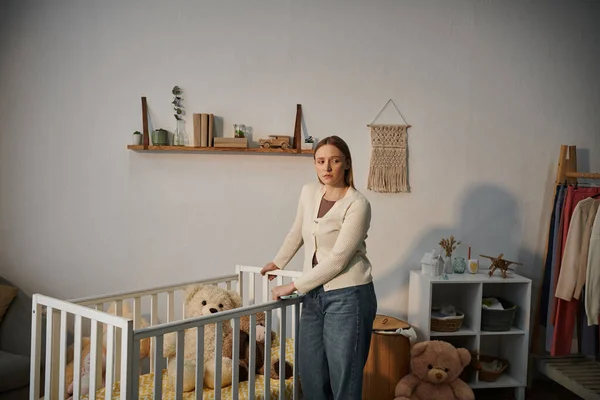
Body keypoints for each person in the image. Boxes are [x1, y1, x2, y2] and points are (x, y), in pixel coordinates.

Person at [260, 135, 377, 400]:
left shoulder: (358, 204)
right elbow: (298, 231)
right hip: (313, 295)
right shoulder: (309, 192)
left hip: (348, 296)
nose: (327, 168)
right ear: (314, 164)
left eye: (334, 161)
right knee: (311, 374)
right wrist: (279, 261)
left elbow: (337, 260)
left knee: (343, 379)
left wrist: (292, 285)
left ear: (346, 163)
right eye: (320, 161)